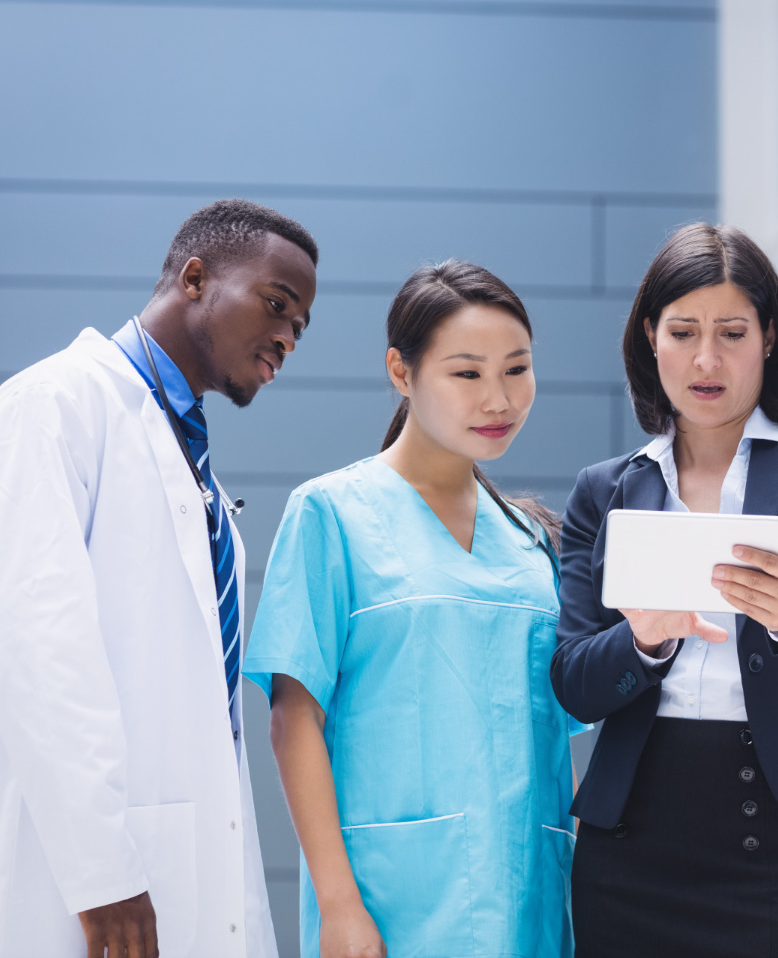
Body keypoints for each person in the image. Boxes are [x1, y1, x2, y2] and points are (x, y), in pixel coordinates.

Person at [0, 199, 319, 957]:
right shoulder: (53, 405)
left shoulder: (187, 459)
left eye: (299, 328)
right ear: (195, 277)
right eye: (277, 305)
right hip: (80, 882)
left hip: (185, 865)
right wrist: (99, 873)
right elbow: (35, 651)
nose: (285, 336)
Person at [552, 223, 778, 958]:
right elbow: (575, 683)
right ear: (650, 337)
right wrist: (643, 641)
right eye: (682, 331)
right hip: (633, 842)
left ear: (771, 336)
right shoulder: (604, 491)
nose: (706, 359)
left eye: (732, 332)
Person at [243, 261, 580, 958]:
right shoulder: (331, 514)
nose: (499, 399)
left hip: (531, 900)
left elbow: (562, 711)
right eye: (467, 373)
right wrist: (338, 906)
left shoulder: (531, 541)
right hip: (389, 904)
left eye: (517, 370)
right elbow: (293, 716)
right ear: (402, 371)